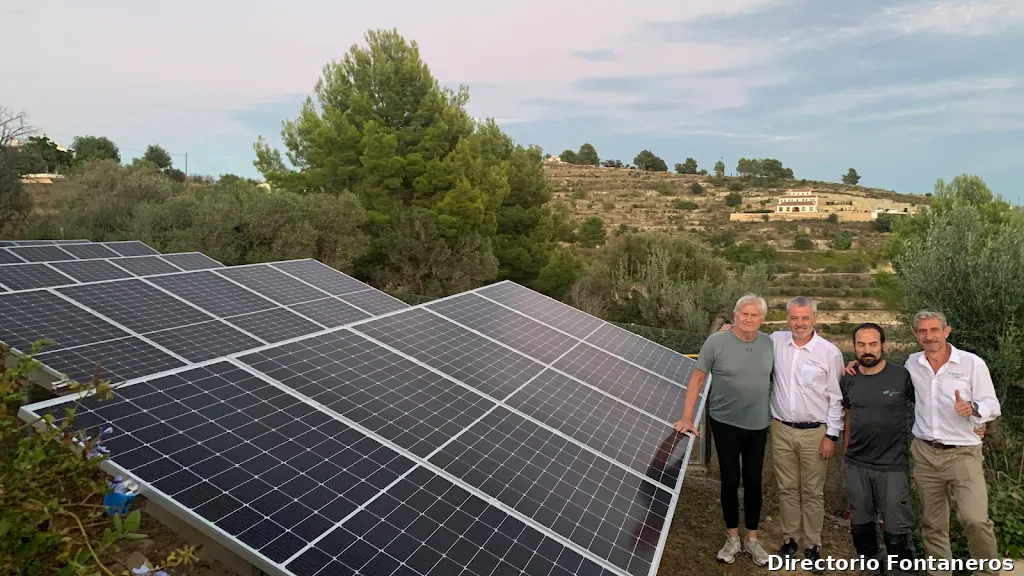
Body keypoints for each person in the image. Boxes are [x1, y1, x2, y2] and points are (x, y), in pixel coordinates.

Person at [845, 310, 1000, 576]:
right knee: (933, 523)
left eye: (934, 330)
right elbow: (878, 373)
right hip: (925, 453)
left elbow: (992, 404)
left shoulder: (972, 364)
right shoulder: (912, 364)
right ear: (916, 335)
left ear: (946, 331)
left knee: (974, 519)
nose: (929, 337)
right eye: (923, 332)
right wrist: (853, 365)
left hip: (963, 452)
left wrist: (974, 409)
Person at [673, 293, 774, 566]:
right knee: (729, 479)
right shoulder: (716, 342)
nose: (749, 319)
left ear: (762, 319)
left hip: (758, 424)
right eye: (744, 314)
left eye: (755, 315)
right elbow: (697, 378)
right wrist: (687, 416)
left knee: (754, 481)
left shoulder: (770, 344)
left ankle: (752, 539)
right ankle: (732, 538)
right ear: (735, 314)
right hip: (724, 422)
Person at [766, 296, 845, 571]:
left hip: (815, 433)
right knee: (787, 489)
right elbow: (748, 339)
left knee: (812, 492)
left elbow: (836, 398)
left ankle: (813, 545)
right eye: (794, 318)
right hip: (781, 429)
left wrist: (831, 435)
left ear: (814, 319)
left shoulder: (829, 353)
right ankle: (789, 540)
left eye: (805, 318)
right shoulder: (775, 342)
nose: (799, 323)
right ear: (787, 318)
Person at [840, 322, 918, 575]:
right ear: (854, 348)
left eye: (873, 344)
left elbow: (931, 403)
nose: (867, 350)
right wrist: (845, 456)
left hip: (893, 465)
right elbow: (848, 417)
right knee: (861, 524)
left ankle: (902, 571)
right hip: (856, 463)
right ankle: (871, 568)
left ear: (884, 345)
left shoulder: (902, 376)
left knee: (897, 527)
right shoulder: (848, 379)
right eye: (861, 345)